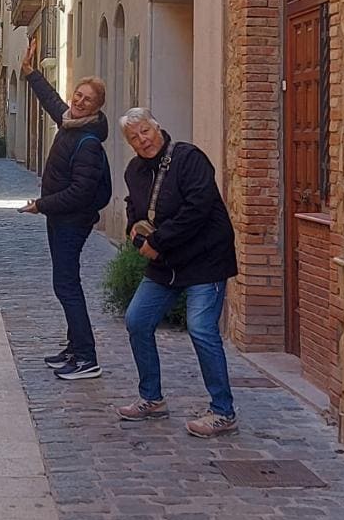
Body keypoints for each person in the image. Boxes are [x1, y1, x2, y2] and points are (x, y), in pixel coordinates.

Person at [117, 107, 239, 435]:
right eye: (134, 137)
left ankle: (223, 411)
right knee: (137, 320)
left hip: (204, 260)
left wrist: (158, 241)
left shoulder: (188, 158)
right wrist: (135, 233)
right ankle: (151, 398)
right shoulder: (134, 171)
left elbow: (198, 208)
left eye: (145, 131)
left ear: (157, 127)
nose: (143, 140)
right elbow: (134, 210)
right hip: (166, 264)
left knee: (201, 329)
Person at [19, 37, 112, 381]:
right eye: (78, 94)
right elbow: (52, 101)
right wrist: (31, 73)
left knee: (67, 286)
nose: (79, 101)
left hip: (72, 221)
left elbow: (80, 193)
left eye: (88, 100)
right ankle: (74, 349)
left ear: (97, 108)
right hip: (61, 219)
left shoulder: (88, 142)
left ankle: (87, 357)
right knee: (66, 284)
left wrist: (41, 205)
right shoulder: (71, 123)